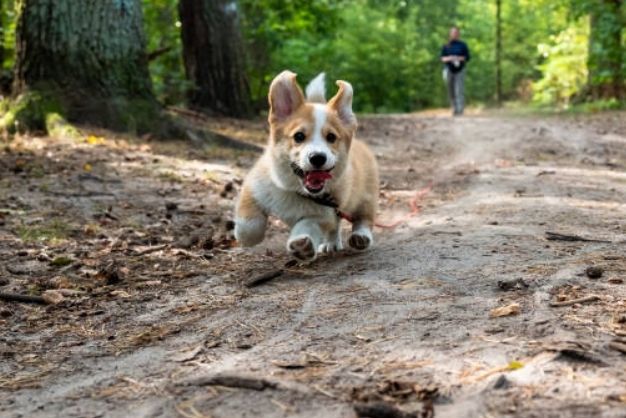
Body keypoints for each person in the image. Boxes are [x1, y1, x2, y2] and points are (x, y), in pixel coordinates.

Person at [440, 26, 470, 116]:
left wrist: (458, 58)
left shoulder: (463, 45)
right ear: (450, 34)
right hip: (449, 70)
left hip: (460, 70)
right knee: (450, 90)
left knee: (459, 90)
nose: (455, 34)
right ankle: (454, 108)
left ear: (458, 34)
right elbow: (442, 58)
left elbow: (467, 57)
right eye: (453, 32)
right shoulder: (446, 45)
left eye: (456, 32)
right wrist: (450, 58)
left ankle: (460, 109)